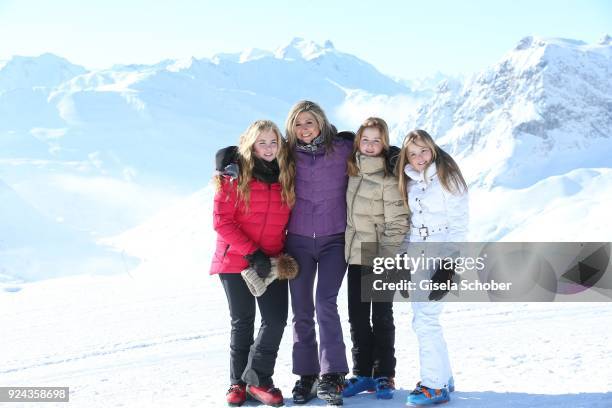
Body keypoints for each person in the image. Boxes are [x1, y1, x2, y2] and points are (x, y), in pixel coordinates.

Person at [210, 119, 295, 407]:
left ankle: (257, 378)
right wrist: (252, 252)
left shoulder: (286, 175)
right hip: (236, 259)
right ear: (251, 145)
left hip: (271, 260)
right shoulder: (234, 175)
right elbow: (222, 221)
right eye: (263, 142)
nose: (269, 148)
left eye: (273, 142)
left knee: (275, 320)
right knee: (243, 321)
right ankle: (237, 383)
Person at [284, 100, 353, 406]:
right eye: (298, 124)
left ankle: (333, 374)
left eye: (309, 122)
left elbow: (376, 149)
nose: (304, 129)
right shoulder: (285, 153)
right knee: (301, 309)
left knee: (325, 302)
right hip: (297, 240)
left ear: (322, 122)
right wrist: (225, 160)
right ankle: (307, 375)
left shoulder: (342, 149)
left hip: (334, 239)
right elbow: (250, 151)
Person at [398, 129, 468, 406]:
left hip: (440, 252)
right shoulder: (409, 181)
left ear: (433, 149)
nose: (419, 158)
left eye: (424, 150)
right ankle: (443, 377)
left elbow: (459, 225)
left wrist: (449, 265)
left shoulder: (448, 178)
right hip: (417, 251)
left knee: (426, 320)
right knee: (422, 320)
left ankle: (434, 386)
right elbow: (409, 225)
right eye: (413, 153)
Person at [342, 117, 409, 400]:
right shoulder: (352, 170)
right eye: (365, 140)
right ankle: (363, 373)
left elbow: (398, 222)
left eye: (376, 140)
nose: (370, 146)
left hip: (382, 253)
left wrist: (384, 258)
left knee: (381, 317)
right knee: (357, 318)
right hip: (357, 253)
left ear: (385, 143)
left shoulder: (389, 177)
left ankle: (384, 375)